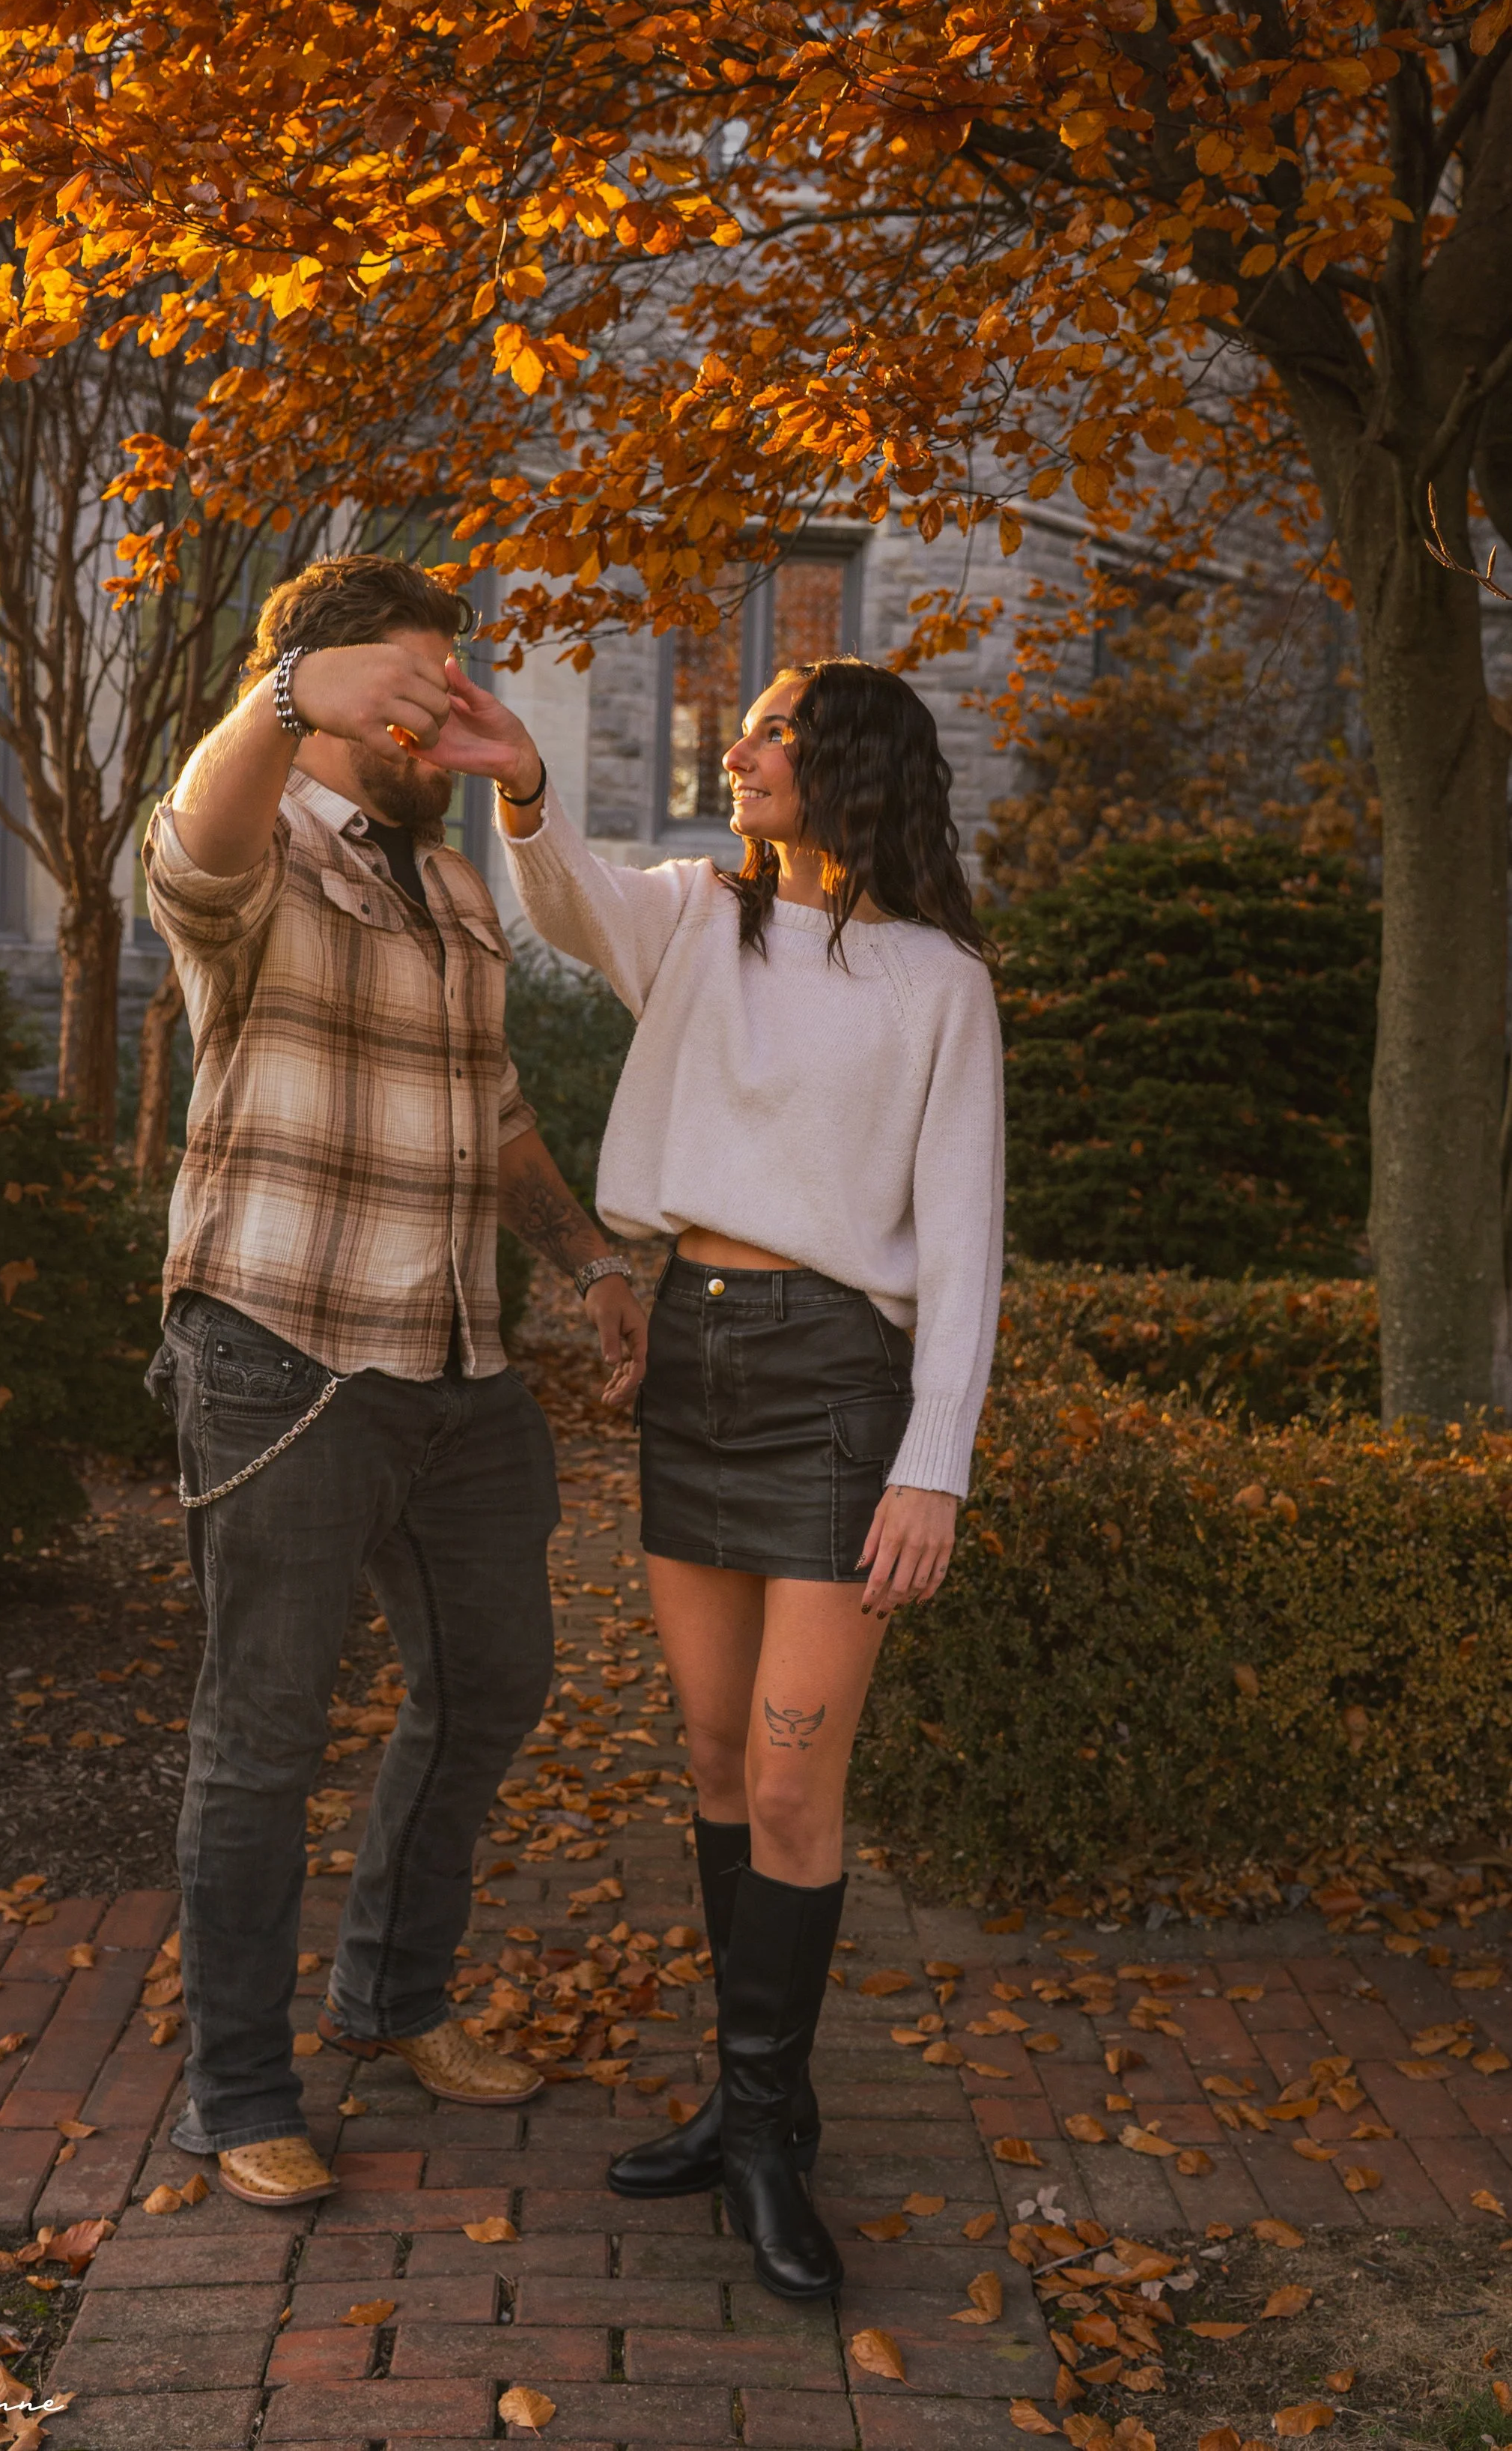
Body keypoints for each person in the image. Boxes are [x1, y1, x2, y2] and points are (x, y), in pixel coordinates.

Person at [431, 651, 1003, 2301]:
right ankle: (755, 2103)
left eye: (773, 732)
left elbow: (962, 1244)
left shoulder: (938, 983)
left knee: (790, 1782)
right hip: (693, 1360)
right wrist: (521, 781)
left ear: (852, 768)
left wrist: (933, 1463)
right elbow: (565, 901)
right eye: (741, 728)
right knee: (707, 1752)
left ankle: (763, 2141)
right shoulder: (698, 918)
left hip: (836, 1382)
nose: (738, 751)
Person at [141, 554, 648, 2212]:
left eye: (445, 684)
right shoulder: (258, 842)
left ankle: (391, 1998)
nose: (434, 715)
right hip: (282, 1351)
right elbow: (191, 848)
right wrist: (287, 696)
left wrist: (587, 1262)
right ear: (329, 687)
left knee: (493, 1680)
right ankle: (237, 2091)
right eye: (408, 687)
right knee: (263, 1735)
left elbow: (493, 1109)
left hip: (457, 1366)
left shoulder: (447, 885)